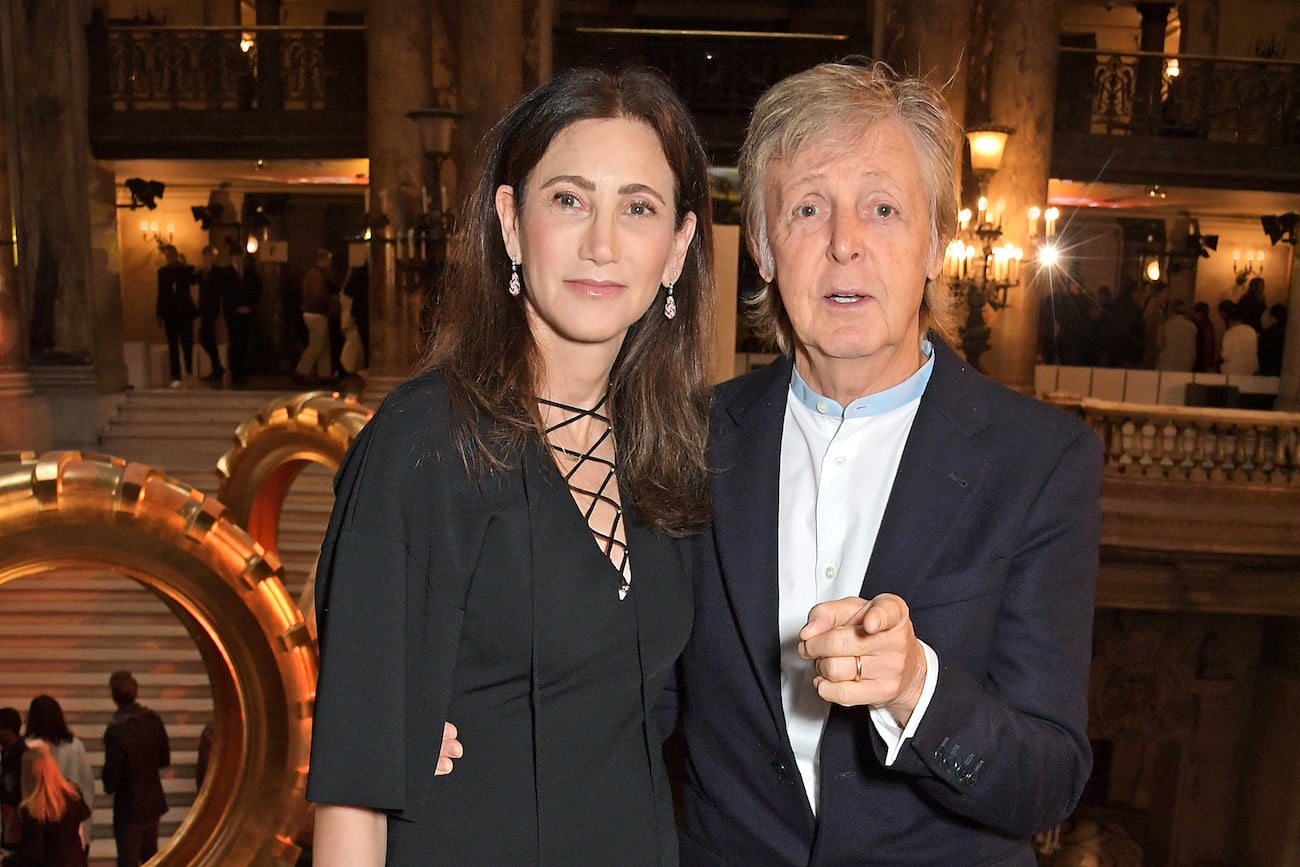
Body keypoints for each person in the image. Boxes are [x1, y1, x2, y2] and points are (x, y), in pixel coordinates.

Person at [666, 60, 1101, 866]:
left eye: (883, 207)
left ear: (936, 241)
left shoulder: (1041, 462)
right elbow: (628, 697)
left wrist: (915, 689)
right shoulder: (690, 437)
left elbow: (1047, 781)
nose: (844, 243)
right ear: (762, 246)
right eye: (807, 208)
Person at [307, 65, 715, 866]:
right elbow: (355, 783)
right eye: (569, 200)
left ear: (677, 249)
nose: (602, 244)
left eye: (638, 207)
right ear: (510, 222)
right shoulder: (423, 441)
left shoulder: (670, 447)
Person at [101, 671, 170, 867]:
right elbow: (164, 759)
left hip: (128, 804)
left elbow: (111, 778)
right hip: (152, 799)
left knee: (128, 858)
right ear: (136, 692)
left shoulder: (116, 730)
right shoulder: (153, 721)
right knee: (151, 854)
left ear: (114, 696)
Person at [23, 697, 93, 856]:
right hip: (72, 823)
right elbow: (86, 784)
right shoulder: (74, 746)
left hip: (40, 819)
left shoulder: (28, 747)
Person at [1, 743, 90, 867]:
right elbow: (80, 831)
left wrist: (6, 861)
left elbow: (34, 854)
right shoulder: (73, 794)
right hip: (76, 860)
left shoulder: (33, 809)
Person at [292, 248, 340, 384]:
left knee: (323, 344)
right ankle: (301, 370)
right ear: (323, 259)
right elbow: (317, 295)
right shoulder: (317, 275)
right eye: (328, 259)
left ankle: (324, 373)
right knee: (317, 344)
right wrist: (332, 300)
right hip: (316, 312)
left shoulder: (315, 273)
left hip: (314, 312)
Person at [154, 245, 197, 388]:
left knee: (187, 343)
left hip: (184, 312)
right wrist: (159, 314)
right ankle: (176, 375)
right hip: (170, 313)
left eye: (173, 255)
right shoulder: (162, 272)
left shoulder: (185, 270)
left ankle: (189, 372)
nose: (171, 258)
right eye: (168, 255)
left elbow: (192, 280)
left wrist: (185, 264)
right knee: (173, 345)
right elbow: (161, 293)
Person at [195, 245, 227, 383]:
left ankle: (217, 367)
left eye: (210, 256)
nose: (207, 258)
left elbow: (220, 289)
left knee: (206, 335)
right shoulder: (202, 271)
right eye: (206, 255)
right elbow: (193, 280)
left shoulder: (218, 271)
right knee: (206, 338)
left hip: (212, 308)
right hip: (204, 308)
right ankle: (217, 367)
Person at [0, 709, 26, 852]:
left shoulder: (22, 756)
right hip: (9, 820)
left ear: (7, 730)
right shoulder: (7, 753)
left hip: (18, 821)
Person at [1156, 297, 1197, 371]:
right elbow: (1193, 348)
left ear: (1171, 310)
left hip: (1167, 364)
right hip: (1185, 364)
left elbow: (1159, 344)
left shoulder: (1166, 325)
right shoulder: (1192, 327)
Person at [1219, 301, 1258, 376]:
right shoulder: (1251, 330)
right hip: (1251, 372)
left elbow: (1226, 354)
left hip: (1233, 372)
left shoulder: (1230, 333)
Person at [1257, 302, 1287, 376]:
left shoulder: (1266, 336)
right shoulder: (1287, 335)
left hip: (1267, 374)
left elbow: (1263, 360)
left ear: (1273, 319)